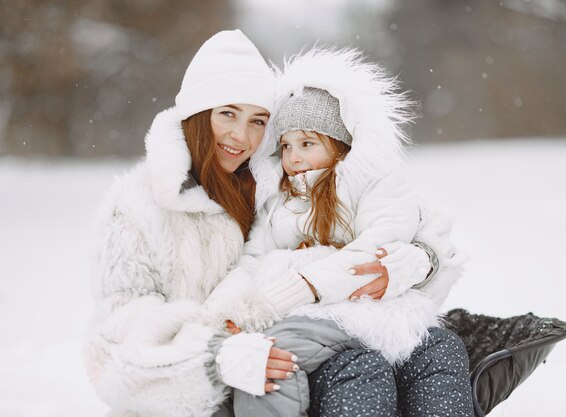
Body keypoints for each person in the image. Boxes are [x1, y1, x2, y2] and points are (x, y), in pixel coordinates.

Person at [83, 30, 430, 417]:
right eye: (228, 114)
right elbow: (114, 346)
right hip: (194, 398)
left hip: (297, 350)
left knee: (393, 364)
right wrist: (217, 356)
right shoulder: (136, 208)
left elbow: (392, 222)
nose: (241, 136)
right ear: (198, 114)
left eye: (258, 121)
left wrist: (417, 260)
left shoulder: (271, 185)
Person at [207, 47, 473, 417]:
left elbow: (379, 245)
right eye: (285, 146)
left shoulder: (372, 183)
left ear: (340, 147)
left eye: (307, 143)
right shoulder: (277, 202)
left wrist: (306, 283)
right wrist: (224, 308)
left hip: (374, 311)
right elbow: (253, 257)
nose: (294, 157)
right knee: (272, 357)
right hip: (308, 318)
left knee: (440, 350)